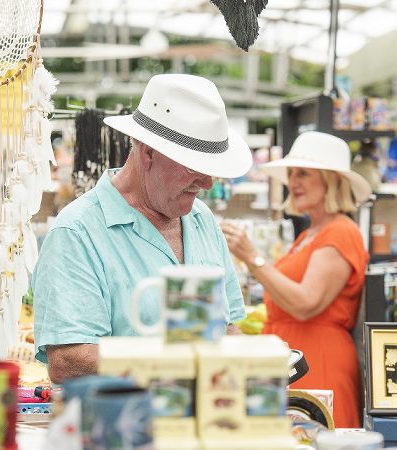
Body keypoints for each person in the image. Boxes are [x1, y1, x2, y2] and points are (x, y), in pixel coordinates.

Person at [32, 74, 252, 384]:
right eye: (194, 167)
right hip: (121, 426)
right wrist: (174, 362)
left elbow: (229, 326)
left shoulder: (201, 219)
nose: (207, 183)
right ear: (147, 151)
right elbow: (68, 359)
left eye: (211, 169)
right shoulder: (78, 232)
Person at [221, 131, 371, 428]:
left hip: (318, 362)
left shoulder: (340, 232)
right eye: (291, 173)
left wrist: (253, 257)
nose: (294, 182)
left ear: (331, 180)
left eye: (304, 173)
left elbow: (306, 303)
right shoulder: (310, 234)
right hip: (296, 360)